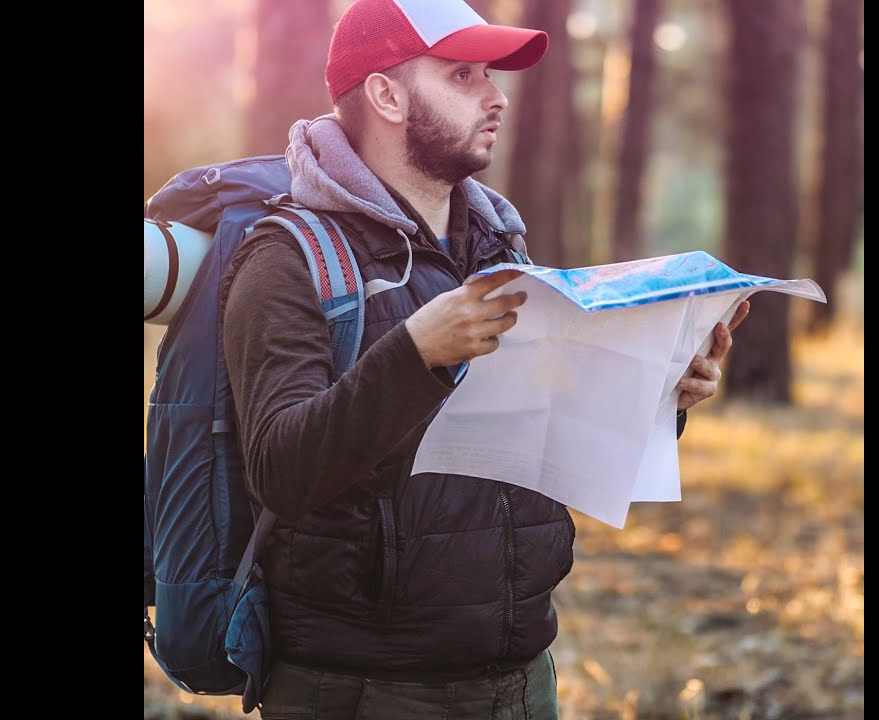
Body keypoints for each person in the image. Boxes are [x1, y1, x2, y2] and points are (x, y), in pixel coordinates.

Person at [219, 0, 751, 717]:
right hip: (361, 692)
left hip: (522, 678)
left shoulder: (501, 250)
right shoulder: (289, 260)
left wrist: (663, 396)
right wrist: (414, 356)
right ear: (386, 94)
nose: (496, 96)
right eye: (463, 75)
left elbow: (547, 440)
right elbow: (281, 471)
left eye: (490, 76)